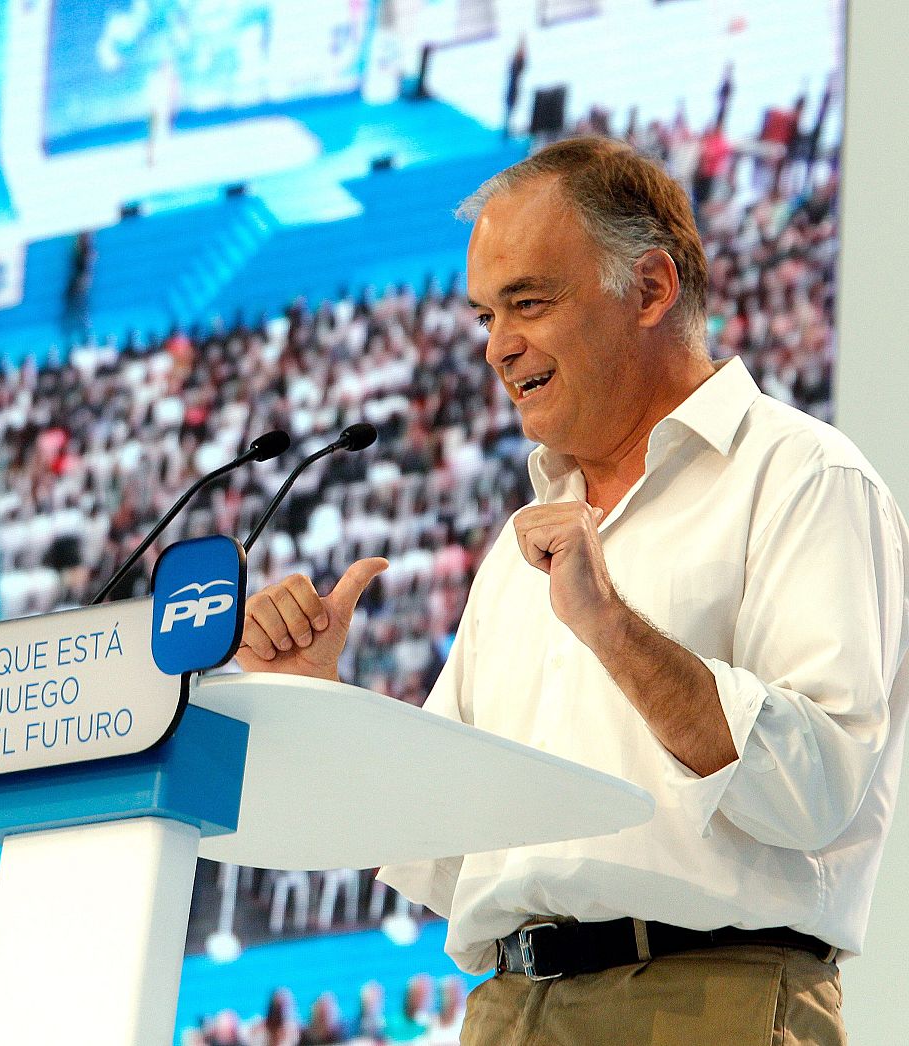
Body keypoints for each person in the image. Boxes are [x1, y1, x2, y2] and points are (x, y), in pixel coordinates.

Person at [237, 137, 908, 1044]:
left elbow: (816, 792)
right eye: (484, 317)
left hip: (708, 1001)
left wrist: (614, 632)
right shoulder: (520, 550)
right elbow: (445, 850)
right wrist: (317, 708)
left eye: (529, 303)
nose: (498, 349)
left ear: (652, 288)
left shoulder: (803, 478)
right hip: (506, 1009)